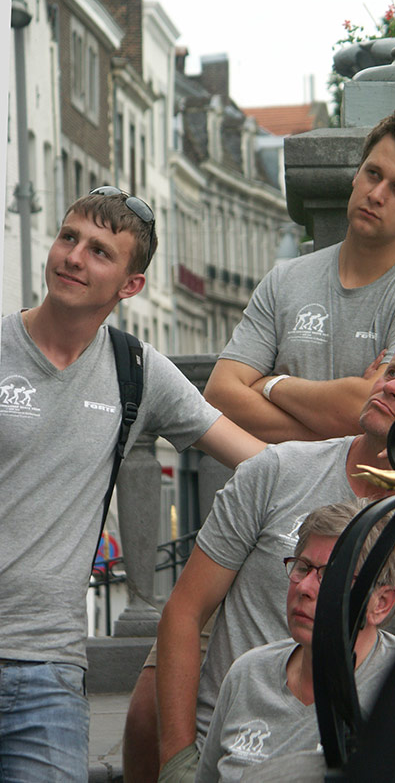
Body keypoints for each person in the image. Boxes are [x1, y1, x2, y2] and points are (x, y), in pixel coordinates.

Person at [0, 188, 265, 783]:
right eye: (69, 238)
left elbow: (259, 461)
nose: (73, 256)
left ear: (131, 286)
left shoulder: (136, 371)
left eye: (99, 251)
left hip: (50, 671)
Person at [150, 326, 395, 783]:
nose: (391, 387)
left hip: (346, 756)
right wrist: (177, 762)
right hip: (233, 749)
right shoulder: (276, 470)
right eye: (392, 372)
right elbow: (185, 611)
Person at [204, 109, 395, 443]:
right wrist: (343, 420)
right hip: (276, 494)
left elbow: (387, 414)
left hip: (369, 495)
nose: (377, 194)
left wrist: (269, 384)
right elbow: (219, 395)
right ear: (357, 173)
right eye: (373, 173)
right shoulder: (285, 280)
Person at [195, 501, 395, 782]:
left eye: (331, 575)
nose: (305, 588)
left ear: (381, 603)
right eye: (302, 567)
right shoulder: (248, 674)